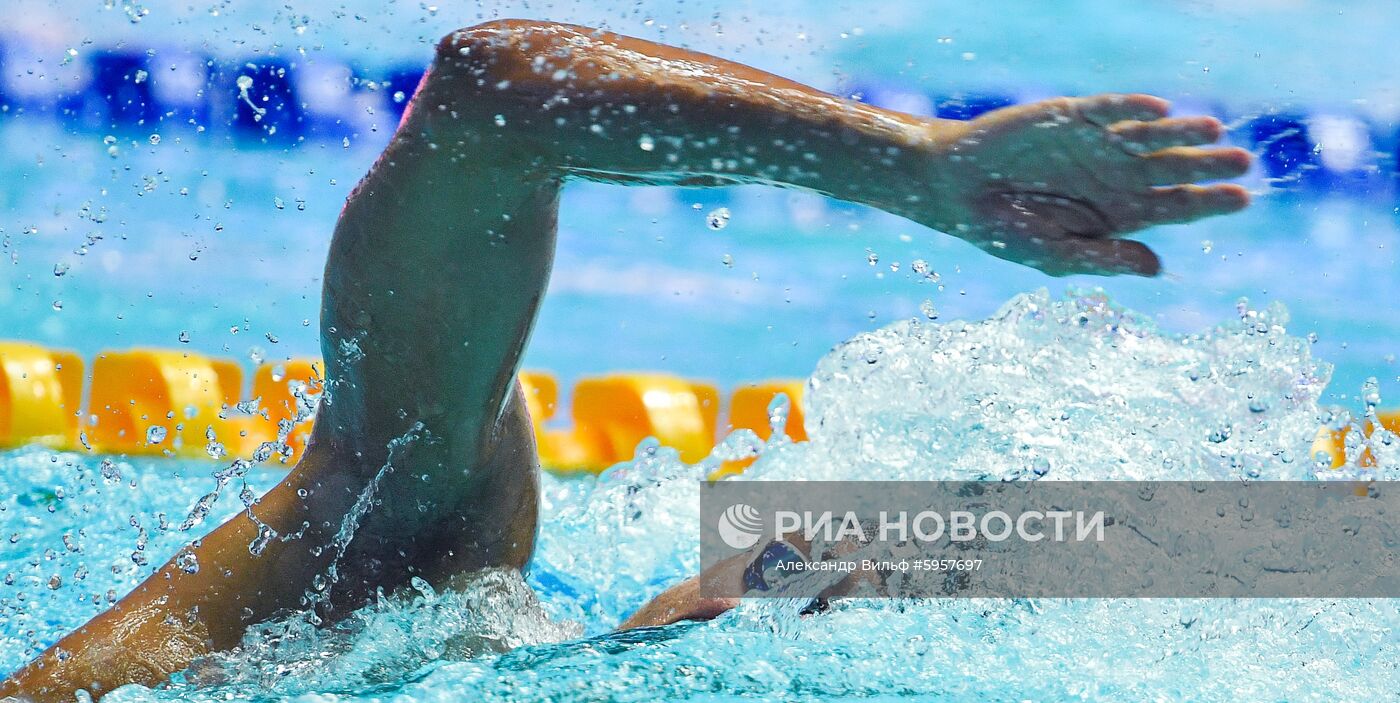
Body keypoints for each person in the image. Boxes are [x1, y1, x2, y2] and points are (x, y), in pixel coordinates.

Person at [0, 19, 1250, 702]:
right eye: (795, 575)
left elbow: (496, 94)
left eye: (800, 582)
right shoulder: (387, 553)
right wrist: (909, 166)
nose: (808, 581)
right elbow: (490, 93)